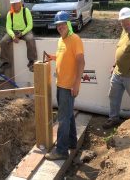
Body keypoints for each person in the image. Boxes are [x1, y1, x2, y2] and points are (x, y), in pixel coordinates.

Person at [44, 11, 85, 160]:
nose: (60, 27)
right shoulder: (61, 40)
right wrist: (52, 58)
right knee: (68, 115)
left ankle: (61, 151)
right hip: (61, 84)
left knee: (63, 118)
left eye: (62, 24)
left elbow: (81, 61)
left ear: (68, 24)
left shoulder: (75, 39)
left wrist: (77, 83)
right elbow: (64, 57)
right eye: (58, 25)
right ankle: (72, 142)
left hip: (68, 86)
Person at [0, 0, 37, 72]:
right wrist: (13, 36)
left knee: (30, 39)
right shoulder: (10, 13)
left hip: (25, 31)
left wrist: (22, 33)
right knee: (3, 41)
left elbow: (30, 25)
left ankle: (32, 62)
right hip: (13, 32)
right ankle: (5, 62)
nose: (14, 5)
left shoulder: (26, 11)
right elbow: (8, 27)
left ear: (20, 3)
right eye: (13, 4)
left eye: (16, 3)